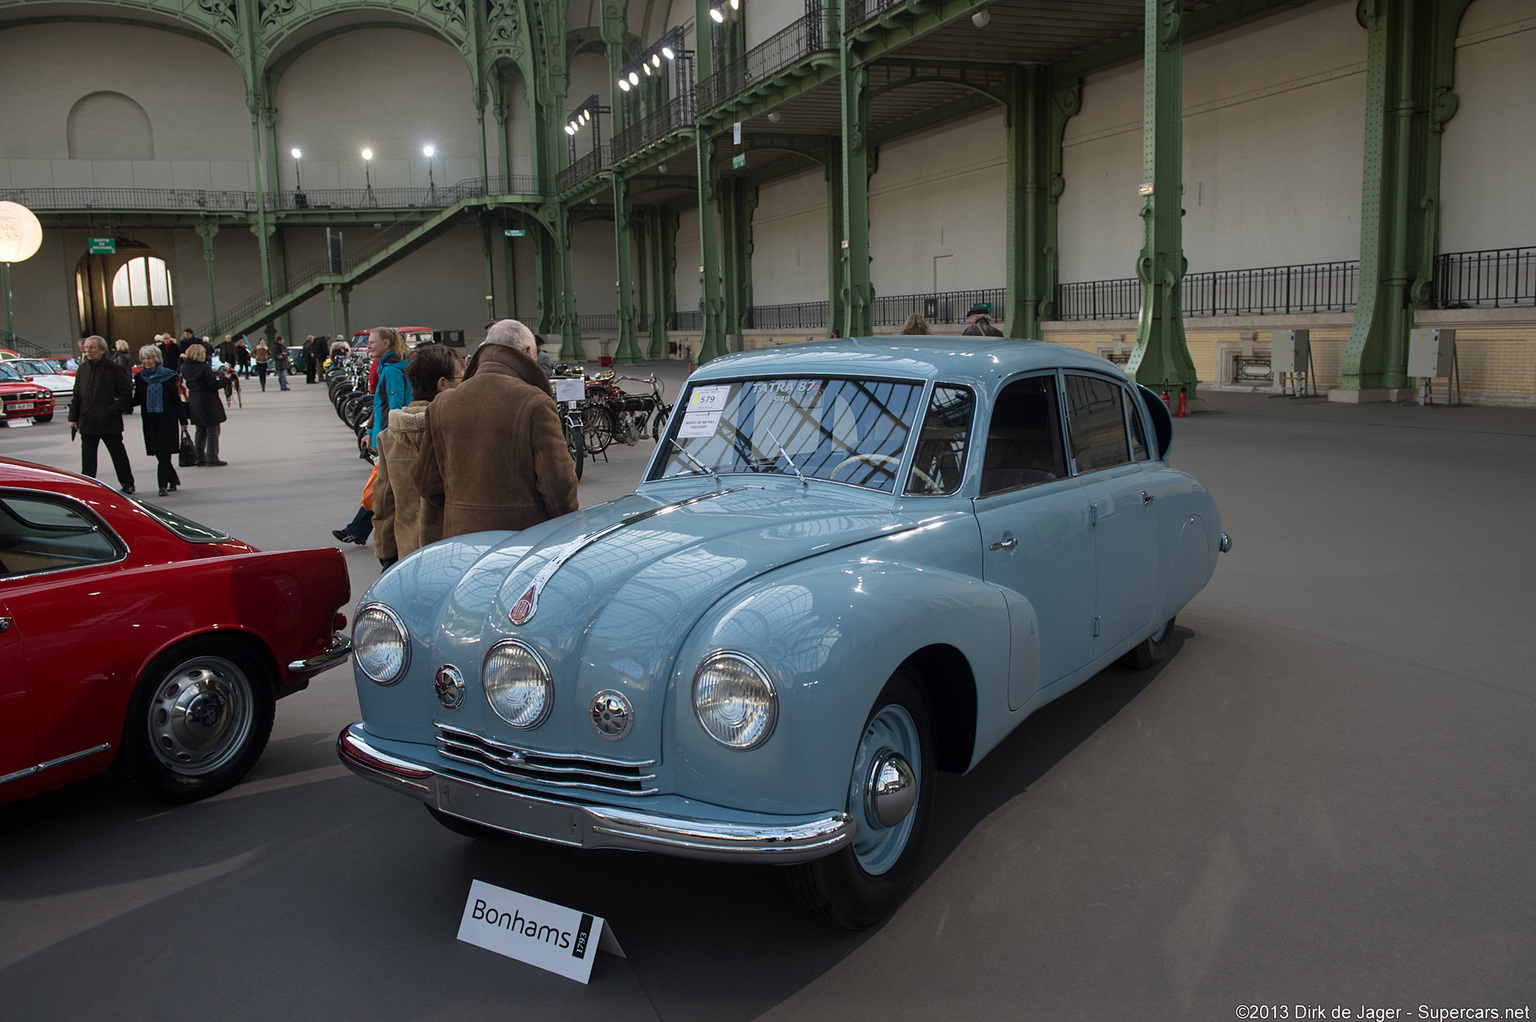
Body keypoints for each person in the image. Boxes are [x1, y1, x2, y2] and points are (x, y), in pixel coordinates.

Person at [414, 319, 578, 543]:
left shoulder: (443, 404)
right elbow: (559, 491)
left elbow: (427, 484)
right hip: (521, 544)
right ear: (527, 350)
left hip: (459, 540)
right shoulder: (535, 403)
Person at [373, 344, 463, 569]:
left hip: (408, 554)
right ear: (443, 384)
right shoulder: (457, 431)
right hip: (453, 552)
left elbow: (384, 502)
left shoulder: (388, 437)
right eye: (460, 378)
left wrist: (386, 555)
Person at [332, 327, 413, 546]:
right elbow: (381, 405)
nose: (368, 347)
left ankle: (360, 530)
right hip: (385, 435)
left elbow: (395, 407)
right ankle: (358, 530)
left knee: (379, 486)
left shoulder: (392, 370)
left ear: (386, 343)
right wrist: (369, 431)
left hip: (389, 438)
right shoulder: (389, 367)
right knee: (381, 486)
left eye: (371, 342)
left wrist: (388, 436)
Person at [67, 335, 136, 493]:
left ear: (103, 350)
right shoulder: (83, 369)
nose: (88, 351)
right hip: (88, 421)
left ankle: (127, 483)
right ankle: (88, 485)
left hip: (109, 421)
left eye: (92, 348)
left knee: (117, 454)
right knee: (88, 458)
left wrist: (114, 410)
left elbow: (126, 393)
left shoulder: (114, 369)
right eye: (86, 348)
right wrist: (73, 417)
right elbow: (77, 395)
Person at [131, 345, 187, 496]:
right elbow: (137, 399)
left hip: (167, 419)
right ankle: (173, 478)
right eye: (143, 359)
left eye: (149, 358)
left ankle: (162, 485)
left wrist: (183, 421)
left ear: (156, 359)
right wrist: (118, 402)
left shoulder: (168, 376)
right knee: (158, 453)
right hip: (150, 420)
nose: (146, 362)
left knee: (164, 454)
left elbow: (176, 400)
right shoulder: (140, 378)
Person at [180, 343, 228, 466]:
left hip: (194, 398)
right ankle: (212, 456)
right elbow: (213, 384)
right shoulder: (203, 368)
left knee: (200, 430)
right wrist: (225, 379)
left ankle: (200, 457)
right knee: (213, 429)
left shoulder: (185, 367)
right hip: (207, 400)